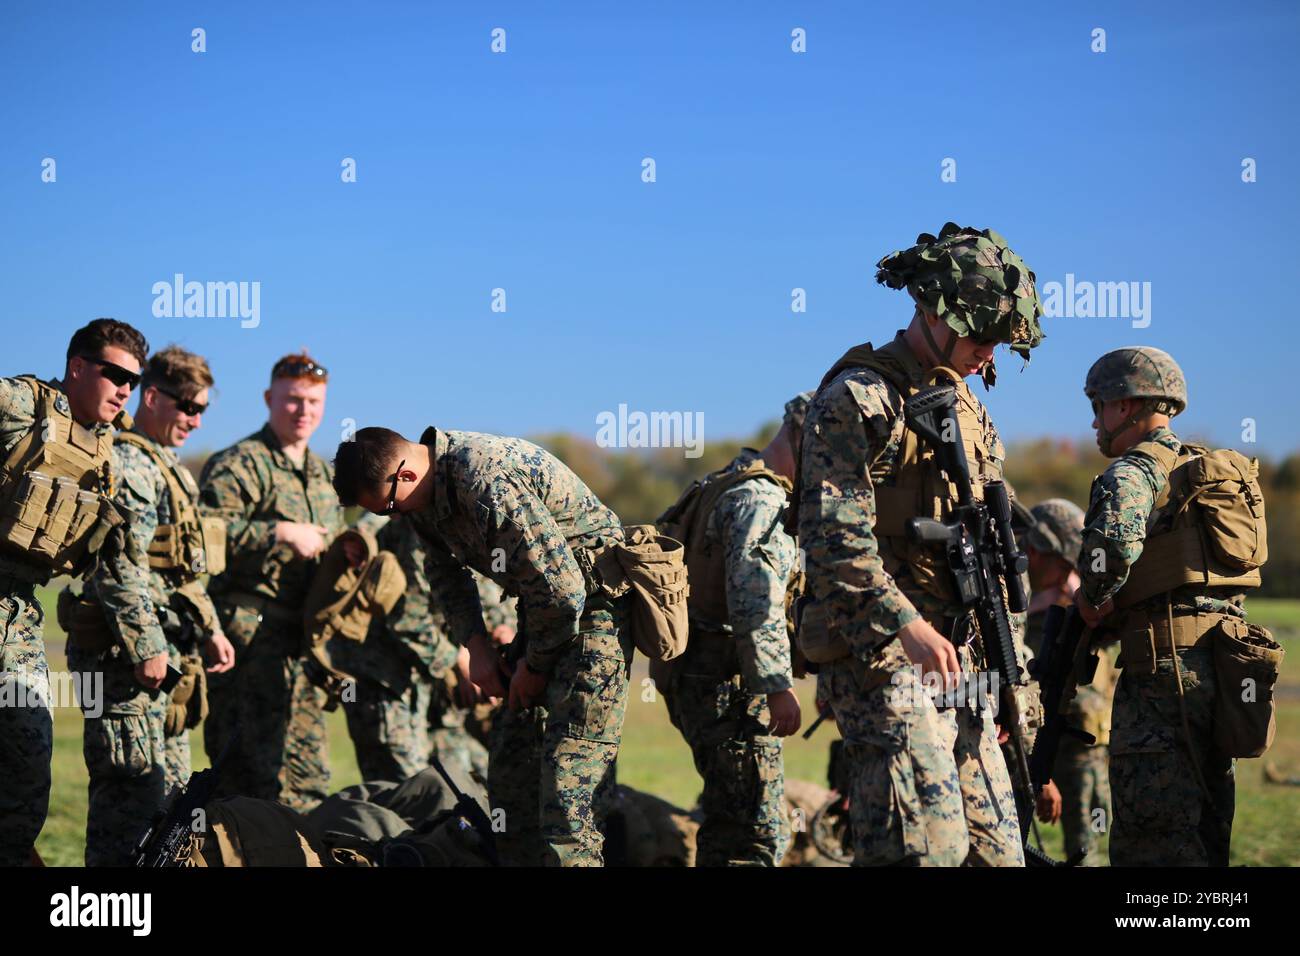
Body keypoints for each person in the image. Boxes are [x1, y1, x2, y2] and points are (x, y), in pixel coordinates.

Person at [797, 223, 1045, 866]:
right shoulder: (860, 397)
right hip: (884, 656)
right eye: (982, 336)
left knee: (998, 857)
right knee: (925, 852)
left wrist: (1010, 675)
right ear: (935, 312)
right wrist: (905, 625)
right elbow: (833, 539)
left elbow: (995, 553)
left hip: (964, 662)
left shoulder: (970, 409)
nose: (989, 355)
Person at [332, 425, 627, 866]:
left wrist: (537, 665)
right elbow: (444, 574)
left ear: (405, 474)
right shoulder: (423, 500)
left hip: (596, 620)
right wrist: (475, 645)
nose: (393, 518)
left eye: (389, 507)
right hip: (541, 620)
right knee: (510, 786)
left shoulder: (484, 478)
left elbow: (566, 592)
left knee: (568, 800)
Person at [1076, 346, 1267, 866]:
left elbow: (1111, 549)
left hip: (1162, 678)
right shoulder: (1202, 472)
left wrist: (1090, 600)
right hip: (1221, 674)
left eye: (1098, 406)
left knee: (1152, 840)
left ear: (1127, 404)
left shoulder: (1134, 474)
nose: (1094, 421)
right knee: (1205, 831)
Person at [0, 319, 162, 865]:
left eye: (133, 381)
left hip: (16, 613)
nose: (124, 389)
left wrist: (147, 642)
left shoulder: (107, 453)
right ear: (77, 367)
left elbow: (115, 556)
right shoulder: (22, 404)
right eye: (114, 374)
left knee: (27, 757)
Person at [69, 345, 236, 865]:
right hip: (127, 668)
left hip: (162, 667)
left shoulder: (169, 467)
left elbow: (179, 568)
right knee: (129, 815)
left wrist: (209, 627)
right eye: (186, 406)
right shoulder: (128, 461)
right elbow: (117, 565)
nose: (193, 419)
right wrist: (146, 646)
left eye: (202, 410)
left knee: (169, 815)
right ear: (153, 395)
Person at [655, 393, 811, 866]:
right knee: (756, 835)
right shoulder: (761, 500)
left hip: (698, 678)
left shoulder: (725, 481)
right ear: (804, 439)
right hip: (730, 688)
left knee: (728, 823)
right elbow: (754, 601)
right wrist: (777, 686)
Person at [199, 352, 344, 811]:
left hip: (302, 648)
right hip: (249, 642)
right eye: (293, 400)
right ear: (269, 398)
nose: (304, 411)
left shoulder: (324, 475)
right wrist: (278, 532)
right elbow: (203, 534)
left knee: (306, 783)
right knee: (242, 781)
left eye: (314, 402)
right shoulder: (241, 463)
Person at [1021, 498, 1116, 864]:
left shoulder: (1085, 603)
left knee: (1083, 848)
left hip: (1081, 742)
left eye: (1067, 567)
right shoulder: (1024, 598)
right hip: (1031, 732)